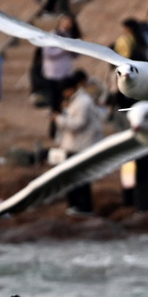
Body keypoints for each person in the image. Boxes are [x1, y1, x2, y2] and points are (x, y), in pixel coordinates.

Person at [53, 70, 104, 215]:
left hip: (81, 147)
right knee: (72, 179)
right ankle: (75, 206)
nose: (63, 94)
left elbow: (78, 124)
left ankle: (83, 208)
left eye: (64, 91)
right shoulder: (77, 100)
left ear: (71, 89)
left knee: (80, 179)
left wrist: (58, 119)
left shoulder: (83, 102)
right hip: (74, 145)